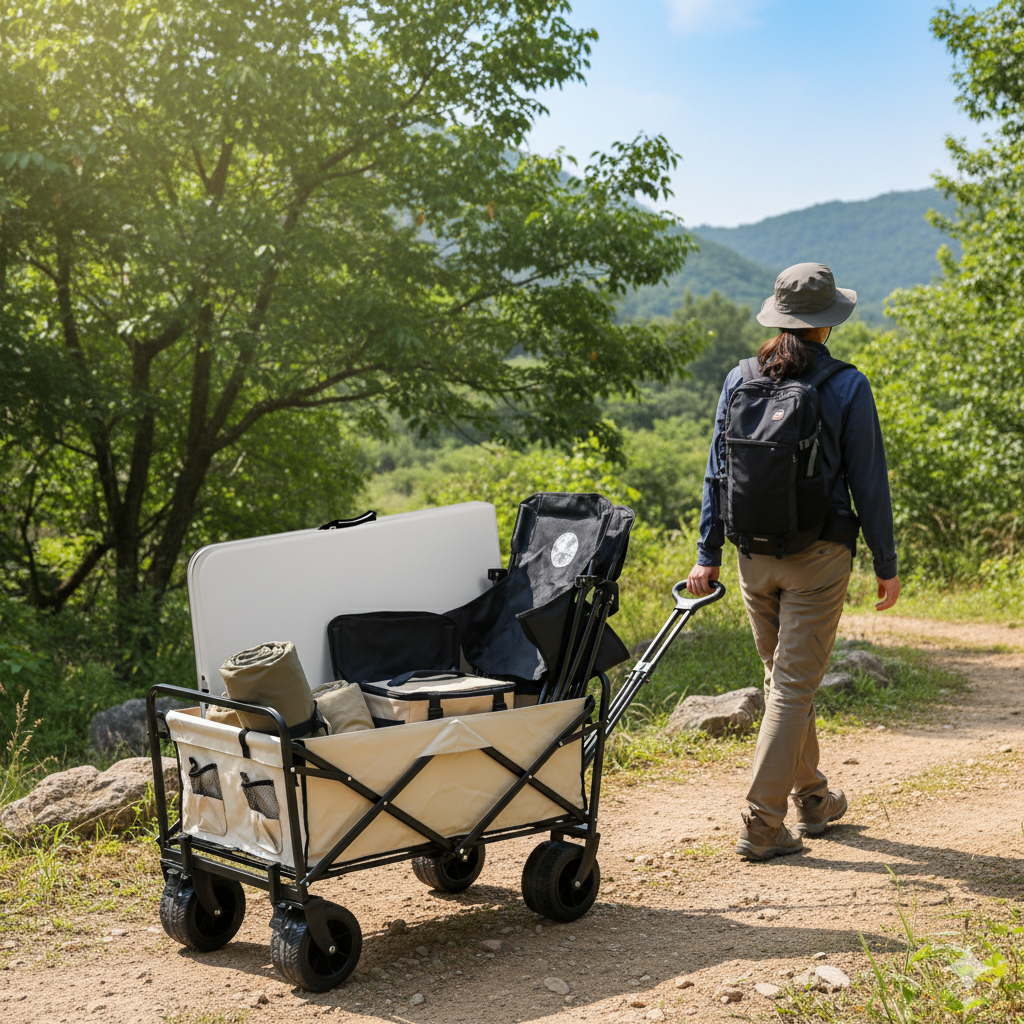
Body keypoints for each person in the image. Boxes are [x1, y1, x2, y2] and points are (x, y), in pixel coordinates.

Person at [686, 262, 900, 861]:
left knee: (783, 682)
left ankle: (813, 799)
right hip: (819, 556)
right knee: (791, 686)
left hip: (753, 556)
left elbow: (717, 472)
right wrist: (886, 562)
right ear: (826, 324)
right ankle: (761, 822)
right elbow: (870, 482)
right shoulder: (848, 386)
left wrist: (707, 555)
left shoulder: (740, 378)